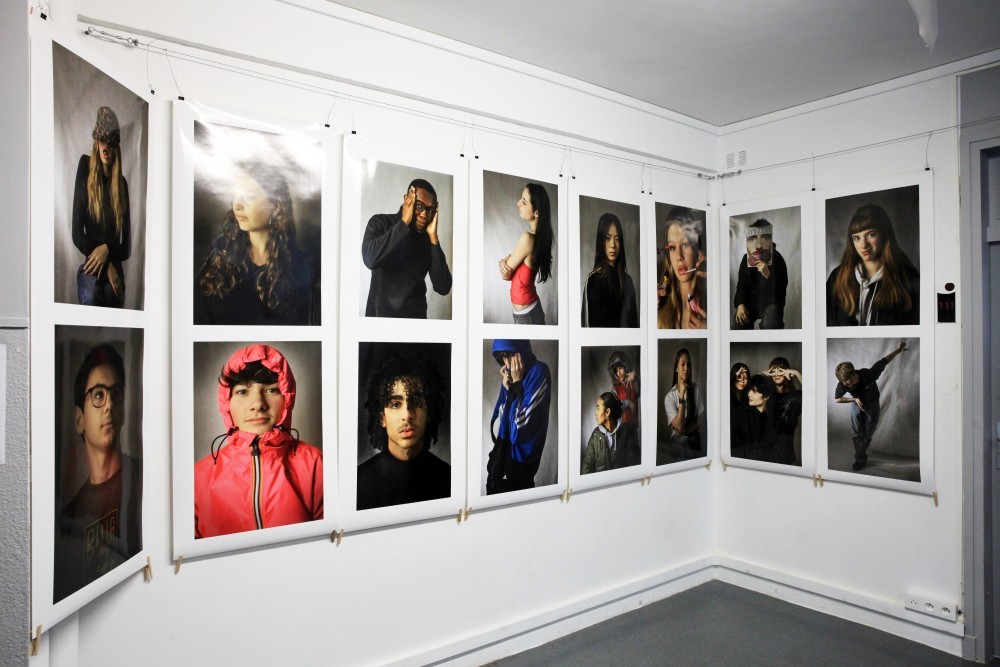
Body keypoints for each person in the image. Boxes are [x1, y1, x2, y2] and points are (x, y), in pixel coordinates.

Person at [194, 345, 323, 538]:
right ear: (226, 403)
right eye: (242, 392)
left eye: (271, 390)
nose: (258, 404)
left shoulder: (316, 464)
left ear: (287, 398)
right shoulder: (197, 478)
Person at [54, 344, 141, 602]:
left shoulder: (145, 481)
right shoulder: (68, 517)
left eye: (116, 393)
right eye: (98, 395)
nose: (109, 405)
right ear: (79, 418)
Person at [195, 162, 314, 325]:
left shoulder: (297, 266)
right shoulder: (219, 257)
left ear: (275, 205)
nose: (237, 206)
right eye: (235, 196)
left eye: (249, 197)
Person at [358, 351, 451, 509]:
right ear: (382, 417)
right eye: (395, 404)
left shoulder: (449, 478)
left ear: (429, 413)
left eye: (417, 403)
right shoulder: (358, 482)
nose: (407, 415)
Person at [362, 179, 453, 319]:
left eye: (430, 210)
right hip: (379, 324)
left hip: (415, 326)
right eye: (419, 206)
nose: (424, 214)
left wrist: (434, 238)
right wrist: (404, 222)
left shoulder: (428, 239)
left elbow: (443, 287)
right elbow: (370, 259)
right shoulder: (381, 223)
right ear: (407, 199)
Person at [72, 106, 131, 308]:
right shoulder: (85, 167)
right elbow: (77, 234)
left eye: (111, 143)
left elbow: (127, 247)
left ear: (117, 148)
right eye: (102, 140)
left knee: (112, 297)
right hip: (93, 262)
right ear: (96, 142)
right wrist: (106, 263)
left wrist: (107, 250)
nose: (106, 147)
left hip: (115, 265)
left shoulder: (121, 184)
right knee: (91, 295)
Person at [826, 204, 919, 326]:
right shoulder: (836, 278)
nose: (863, 245)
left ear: (885, 234)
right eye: (856, 238)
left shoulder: (908, 278)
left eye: (871, 235)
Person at [486, 340, 552, 493]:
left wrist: (517, 384)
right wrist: (509, 390)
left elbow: (517, 433)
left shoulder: (538, 372)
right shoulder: (510, 378)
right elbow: (496, 430)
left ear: (521, 351)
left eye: (510, 355)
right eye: (502, 357)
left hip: (517, 477)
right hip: (495, 472)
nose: (507, 363)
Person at [834, 340, 908, 471]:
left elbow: (884, 361)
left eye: (847, 381)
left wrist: (898, 350)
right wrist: (854, 399)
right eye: (843, 382)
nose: (845, 384)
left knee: (867, 435)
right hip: (857, 404)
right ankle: (860, 458)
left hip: (872, 405)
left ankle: (862, 449)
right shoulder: (843, 384)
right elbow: (837, 399)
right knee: (858, 433)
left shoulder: (869, 374)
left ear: (854, 374)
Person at [498, 184, 554, 325]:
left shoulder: (527, 238)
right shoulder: (538, 238)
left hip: (528, 316)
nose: (518, 203)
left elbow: (506, 275)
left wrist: (502, 262)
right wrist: (506, 265)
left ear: (536, 212)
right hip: (528, 313)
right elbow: (510, 274)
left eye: (524, 201)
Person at [581, 213, 638, 328]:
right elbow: (587, 327)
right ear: (601, 241)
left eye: (617, 239)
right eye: (608, 238)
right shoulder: (593, 281)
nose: (613, 245)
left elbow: (634, 325)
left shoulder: (628, 281)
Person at [657, 207, 707, 329]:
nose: (679, 256)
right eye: (672, 248)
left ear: (697, 249)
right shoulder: (660, 309)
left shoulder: (711, 303)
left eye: (685, 244)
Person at [733, 218, 787, 329]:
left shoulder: (778, 259)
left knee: (771, 320)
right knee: (738, 322)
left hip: (771, 303)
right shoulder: (746, 259)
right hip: (751, 303)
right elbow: (741, 286)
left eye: (765, 238)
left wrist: (768, 275)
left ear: (771, 240)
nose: (759, 245)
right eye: (753, 238)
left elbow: (781, 292)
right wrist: (740, 304)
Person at [660, 348, 704, 464]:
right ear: (676, 368)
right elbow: (678, 427)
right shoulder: (669, 397)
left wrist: (686, 431)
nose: (686, 368)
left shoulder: (695, 390)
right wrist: (682, 395)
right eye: (682, 364)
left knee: (691, 440)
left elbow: (700, 422)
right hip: (677, 441)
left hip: (693, 437)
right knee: (681, 442)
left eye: (688, 365)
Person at [582, 392, 640, 474]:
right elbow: (586, 469)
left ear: (607, 412)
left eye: (598, 408)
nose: (595, 413)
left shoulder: (627, 431)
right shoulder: (595, 436)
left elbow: (634, 465)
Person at [730, 374, 782, 463]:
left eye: (754, 391)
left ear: (766, 396)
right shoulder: (740, 413)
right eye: (749, 390)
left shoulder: (775, 417)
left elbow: (777, 450)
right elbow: (733, 447)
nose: (749, 394)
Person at [767, 357, 802, 465]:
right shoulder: (766, 395)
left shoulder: (796, 396)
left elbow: (813, 394)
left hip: (784, 454)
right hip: (764, 452)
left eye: (780, 370)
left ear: (787, 371)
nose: (776, 374)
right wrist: (762, 376)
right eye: (773, 371)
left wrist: (797, 374)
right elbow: (748, 395)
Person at [608, 350, 639, 425]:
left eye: (620, 368)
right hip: (622, 426)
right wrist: (627, 402)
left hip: (636, 424)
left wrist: (636, 374)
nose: (619, 373)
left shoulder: (635, 381)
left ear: (626, 367)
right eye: (616, 371)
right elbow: (612, 406)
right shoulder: (615, 388)